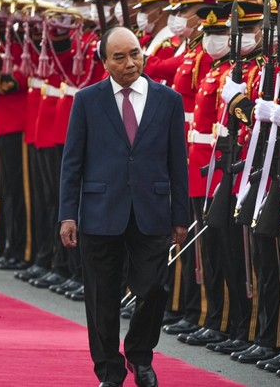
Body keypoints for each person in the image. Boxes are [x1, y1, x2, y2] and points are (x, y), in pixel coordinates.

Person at [58, 26, 189, 387]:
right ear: (105, 63)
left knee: (154, 289)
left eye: (135, 53)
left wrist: (181, 216)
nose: (130, 63)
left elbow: (178, 162)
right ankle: (109, 370)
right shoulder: (87, 100)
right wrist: (68, 214)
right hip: (100, 212)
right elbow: (72, 162)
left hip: (152, 210)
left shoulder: (168, 100)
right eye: (120, 57)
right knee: (101, 298)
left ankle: (140, 355)